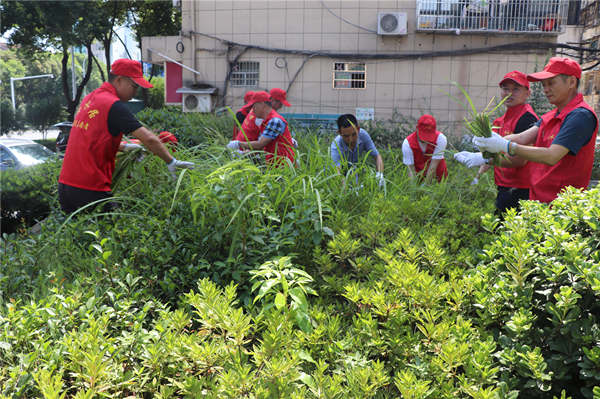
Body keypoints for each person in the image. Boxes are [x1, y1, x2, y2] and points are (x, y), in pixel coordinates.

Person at [58, 58, 194, 214]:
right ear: (119, 80)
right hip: (89, 187)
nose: (135, 92)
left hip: (65, 186)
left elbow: (91, 137)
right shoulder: (113, 105)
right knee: (113, 232)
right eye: (134, 86)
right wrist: (171, 161)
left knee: (79, 235)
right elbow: (148, 138)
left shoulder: (90, 99)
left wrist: (124, 146)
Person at [462, 57, 598, 204]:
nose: (546, 89)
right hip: (538, 199)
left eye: (551, 83)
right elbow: (522, 137)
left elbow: (552, 156)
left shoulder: (580, 116)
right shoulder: (551, 116)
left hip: (562, 206)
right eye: (544, 84)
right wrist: (486, 146)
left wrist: (505, 146)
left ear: (571, 82)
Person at [456, 70, 538, 214]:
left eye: (516, 89)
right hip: (504, 186)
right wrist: (477, 176)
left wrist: (483, 159)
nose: (509, 93)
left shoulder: (527, 118)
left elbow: (519, 161)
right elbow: (493, 153)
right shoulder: (500, 121)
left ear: (528, 93)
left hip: (521, 189)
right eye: (506, 89)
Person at [226, 91, 296, 166]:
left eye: (254, 106)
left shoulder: (274, 121)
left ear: (262, 105)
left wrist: (238, 144)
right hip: (274, 164)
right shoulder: (266, 121)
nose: (252, 109)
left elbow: (261, 144)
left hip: (283, 166)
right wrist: (243, 154)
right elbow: (263, 146)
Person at [330, 114, 384, 187]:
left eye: (354, 134)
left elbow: (377, 156)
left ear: (358, 129)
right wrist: (345, 189)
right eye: (346, 136)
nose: (351, 139)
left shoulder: (363, 135)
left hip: (357, 169)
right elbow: (337, 173)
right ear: (339, 133)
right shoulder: (336, 146)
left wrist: (379, 175)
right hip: (343, 172)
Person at [403, 114, 448, 182]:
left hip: (438, 175)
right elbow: (411, 170)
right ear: (417, 128)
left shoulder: (441, 139)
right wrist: (413, 189)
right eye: (423, 134)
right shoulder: (407, 143)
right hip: (418, 175)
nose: (425, 139)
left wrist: (426, 186)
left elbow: (433, 166)